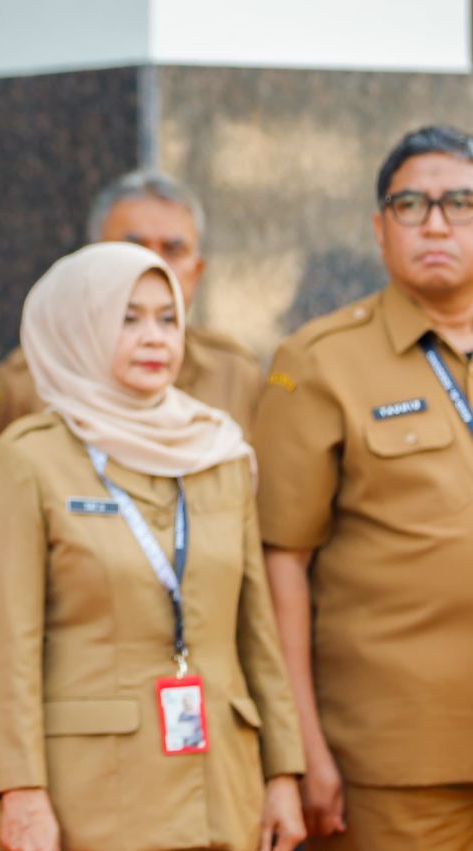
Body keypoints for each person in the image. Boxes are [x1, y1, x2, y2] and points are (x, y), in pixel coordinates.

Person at [0, 242, 306, 851]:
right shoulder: (29, 459)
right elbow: (6, 647)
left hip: (223, 784)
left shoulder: (218, 452)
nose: (155, 337)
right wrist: (19, 790)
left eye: (167, 318)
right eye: (127, 318)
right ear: (77, 327)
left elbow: (256, 633)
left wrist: (283, 774)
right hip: (91, 794)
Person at [255, 125, 473, 850]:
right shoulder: (320, 362)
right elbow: (280, 563)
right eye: (411, 205)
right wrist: (301, 746)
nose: (436, 223)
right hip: (397, 761)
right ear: (380, 228)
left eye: (461, 203)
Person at [0, 170, 264, 445]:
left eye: (173, 250)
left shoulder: (236, 377)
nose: (152, 265)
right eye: (133, 247)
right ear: (91, 262)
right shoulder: (25, 385)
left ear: (197, 273)